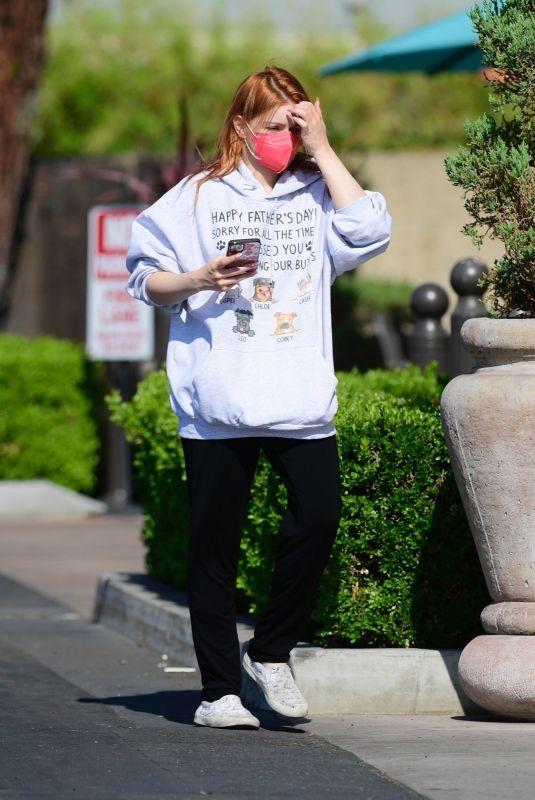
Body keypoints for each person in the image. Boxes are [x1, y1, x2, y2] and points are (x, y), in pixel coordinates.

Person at [126, 65, 391, 729]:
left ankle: (269, 653)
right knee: (213, 547)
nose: (285, 139)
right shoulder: (197, 198)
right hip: (219, 400)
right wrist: (196, 276)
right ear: (242, 126)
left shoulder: (315, 195)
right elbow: (144, 280)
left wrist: (324, 150)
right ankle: (218, 693)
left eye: (296, 127)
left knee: (318, 518)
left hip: (299, 399)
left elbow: (368, 232)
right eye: (275, 126)